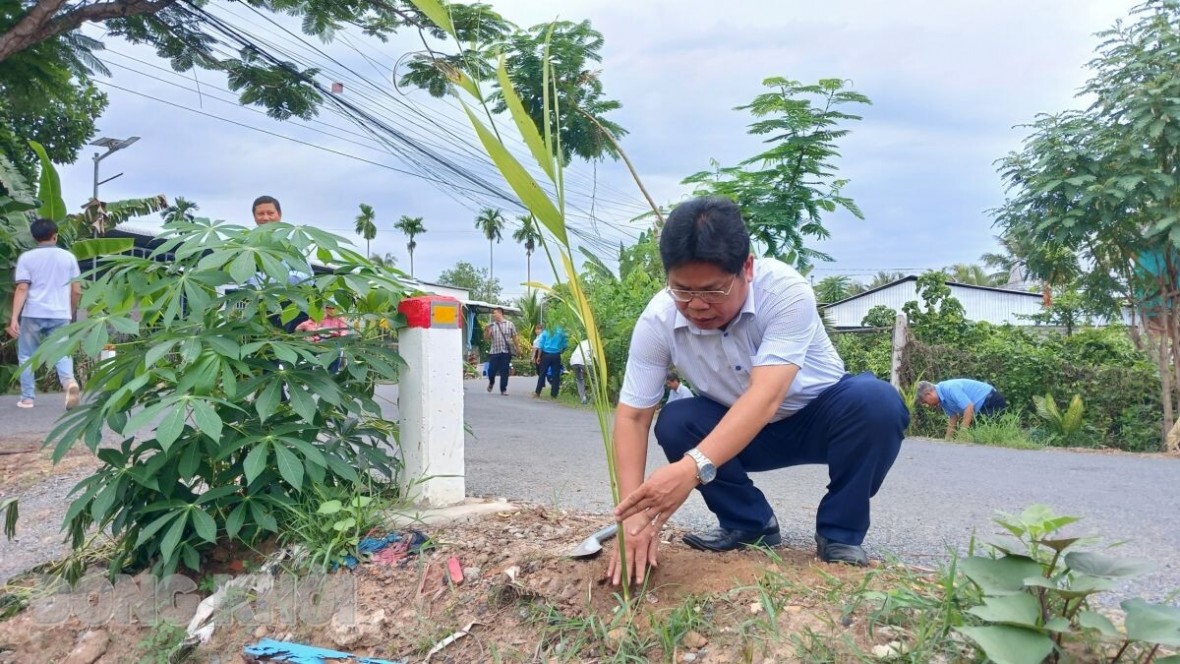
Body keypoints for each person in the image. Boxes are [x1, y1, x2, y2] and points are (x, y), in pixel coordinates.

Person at [607, 197, 909, 586]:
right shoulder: (658, 320)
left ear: (746, 267)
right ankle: (749, 524)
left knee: (877, 403)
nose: (696, 305)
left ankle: (840, 535)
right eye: (681, 290)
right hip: (735, 430)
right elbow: (632, 416)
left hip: (818, 417)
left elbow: (765, 396)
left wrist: (690, 468)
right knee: (677, 421)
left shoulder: (785, 292)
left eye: (713, 291)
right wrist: (632, 519)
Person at [7, 218, 82, 410]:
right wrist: (71, 311)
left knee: (26, 355)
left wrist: (14, 318)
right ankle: (69, 384)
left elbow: (22, 288)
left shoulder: (27, 258)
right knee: (61, 352)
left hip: (33, 313)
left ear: (34, 237)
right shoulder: (68, 258)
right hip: (60, 313)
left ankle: (27, 398)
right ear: (55, 236)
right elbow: (76, 290)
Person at [916, 379, 1006, 439]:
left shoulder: (950, 388)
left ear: (929, 394)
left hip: (991, 401)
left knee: (987, 438)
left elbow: (969, 407)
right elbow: (953, 417)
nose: (927, 405)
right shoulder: (942, 400)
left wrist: (961, 435)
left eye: (925, 402)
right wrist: (947, 440)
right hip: (981, 409)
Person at [484, 307, 517, 395]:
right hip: (494, 352)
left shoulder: (510, 324)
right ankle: (491, 382)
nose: (493, 315)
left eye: (495, 313)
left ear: (500, 313)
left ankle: (503, 389)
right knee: (491, 371)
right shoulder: (492, 325)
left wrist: (518, 348)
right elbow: (486, 338)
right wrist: (486, 330)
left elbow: (514, 337)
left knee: (504, 371)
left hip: (506, 352)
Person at [533, 324, 568, 399]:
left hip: (546, 355)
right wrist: (561, 350)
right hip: (556, 355)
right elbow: (565, 344)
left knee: (542, 373)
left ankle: (537, 392)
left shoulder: (546, 331)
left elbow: (541, 345)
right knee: (556, 375)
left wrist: (538, 357)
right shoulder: (561, 332)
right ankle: (554, 394)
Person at [569, 337, 593, 404]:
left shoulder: (583, 342)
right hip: (585, 361)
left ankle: (583, 399)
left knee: (579, 379)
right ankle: (592, 401)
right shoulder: (594, 343)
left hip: (573, 360)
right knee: (594, 380)